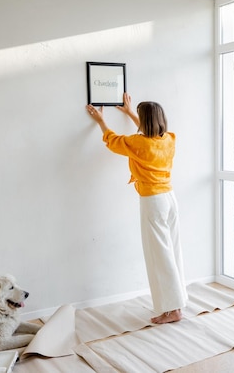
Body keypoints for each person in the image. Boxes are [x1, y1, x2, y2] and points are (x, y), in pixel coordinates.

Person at [86, 92, 188, 324]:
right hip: (170, 198)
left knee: (160, 256)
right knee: (173, 252)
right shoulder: (170, 138)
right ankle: (177, 304)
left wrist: (101, 121)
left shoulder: (138, 143)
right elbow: (147, 132)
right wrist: (131, 112)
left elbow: (112, 140)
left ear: (145, 120)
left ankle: (173, 310)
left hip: (153, 201)